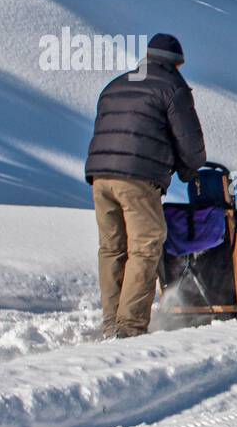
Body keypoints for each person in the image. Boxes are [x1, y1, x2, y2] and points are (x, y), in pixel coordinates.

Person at [85, 33, 206, 338]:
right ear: (176, 64)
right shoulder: (172, 87)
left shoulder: (115, 85)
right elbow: (191, 146)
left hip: (100, 176)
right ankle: (129, 327)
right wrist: (189, 170)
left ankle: (111, 323)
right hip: (137, 178)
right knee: (146, 244)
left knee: (112, 248)